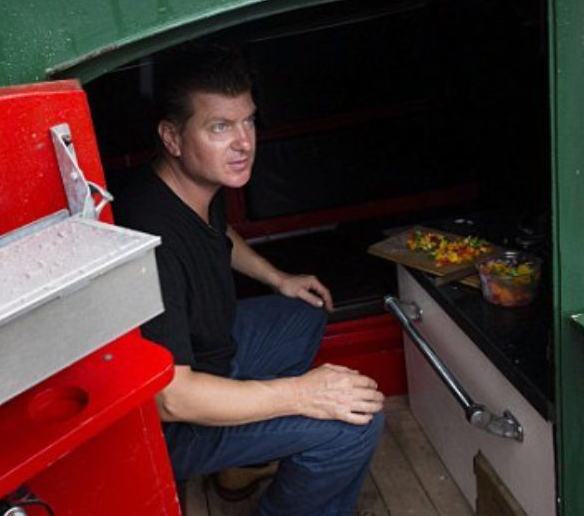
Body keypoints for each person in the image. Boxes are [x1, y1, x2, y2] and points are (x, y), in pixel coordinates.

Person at [112, 44, 385, 516]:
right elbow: (171, 399)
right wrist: (301, 395)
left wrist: (278, 278)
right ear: (172, 137)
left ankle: (237, 466)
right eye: (220, 127)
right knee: (353, 425)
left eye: (249, 121)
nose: (244, 143)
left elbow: (217, 231)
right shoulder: (151, 242)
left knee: (303, 311)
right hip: (170, 426)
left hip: (214, 351)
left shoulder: (191, 180)